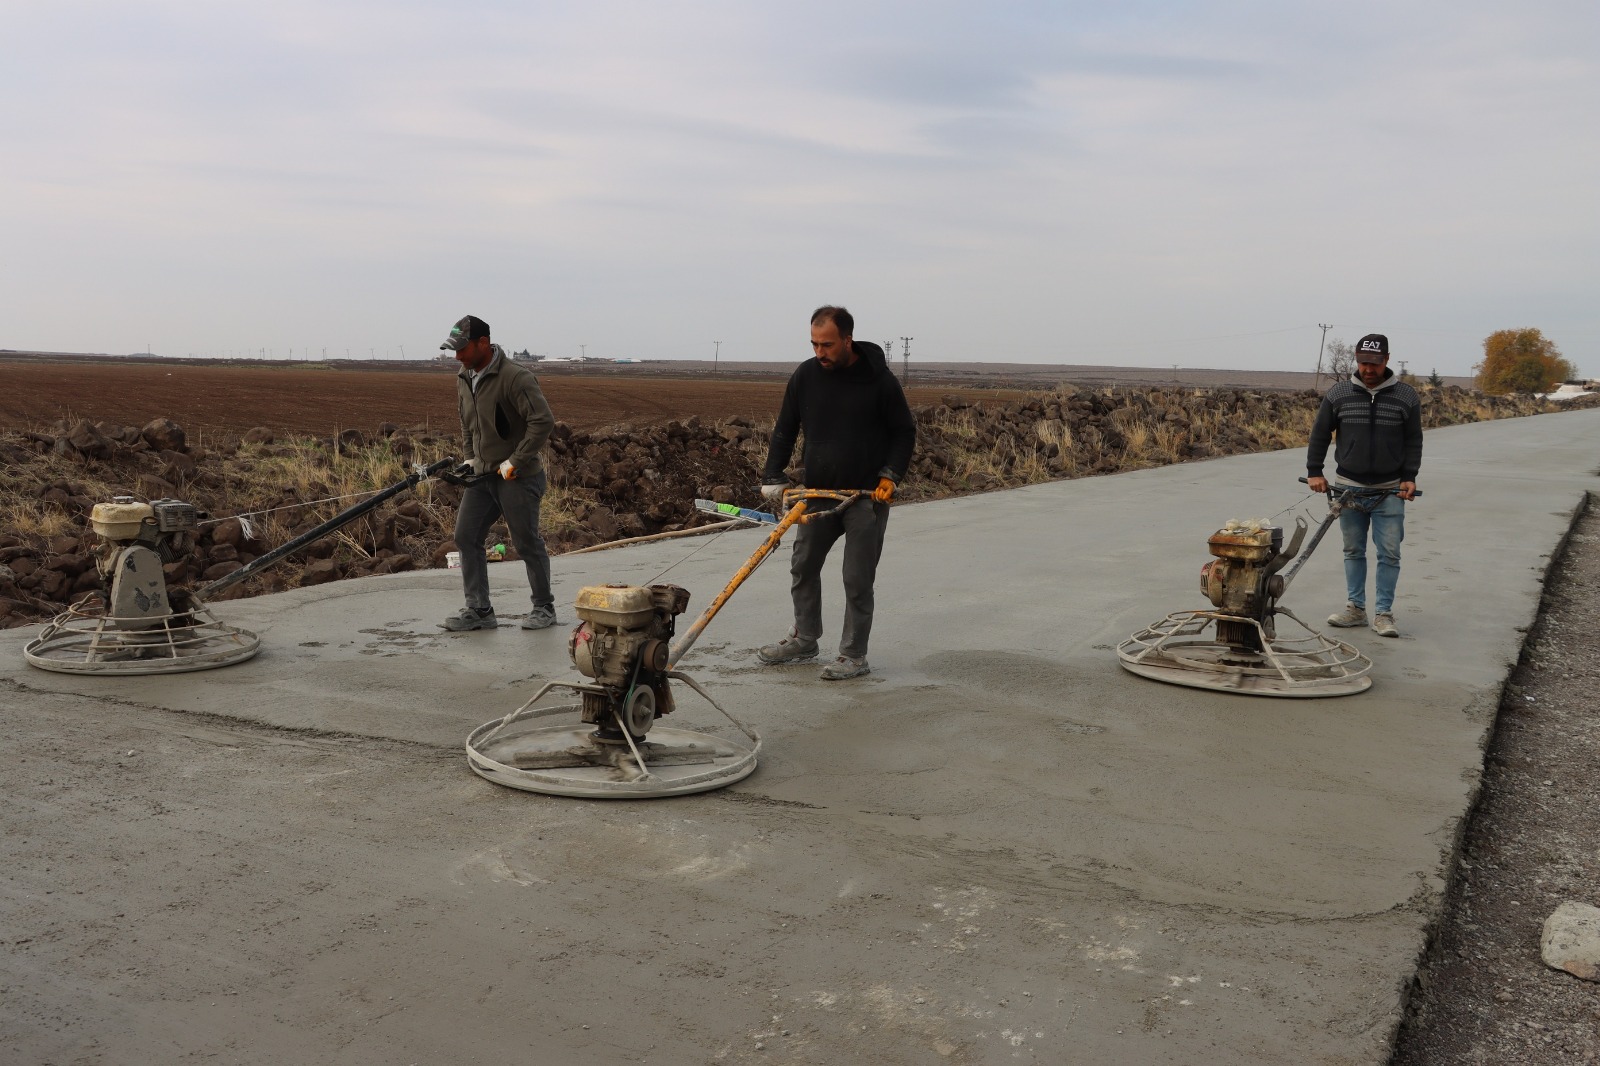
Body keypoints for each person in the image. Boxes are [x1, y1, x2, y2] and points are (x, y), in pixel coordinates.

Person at [756, 306, 916, 680]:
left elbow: (903, 431)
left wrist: (890, 475)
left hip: (865, 497)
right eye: (813, 344)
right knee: (803, 564)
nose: (819, 352)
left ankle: (853, 655)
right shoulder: (807, 376)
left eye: (826, 345)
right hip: (819, 493)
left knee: (857, 578)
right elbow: (785, 427)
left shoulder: (880, 381)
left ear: (847, 340)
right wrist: (773, 474)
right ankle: (805, 637)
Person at [438, 315, 559, 632]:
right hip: (483, 476)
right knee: (466, 536)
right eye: (455, 350)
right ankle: (479, 610)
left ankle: (544, 607)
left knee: (525, 541)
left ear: (483, 343)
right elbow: (468, 424)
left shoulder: (516, 378)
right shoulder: (464, 377)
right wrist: (469, 459)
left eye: (462, 349)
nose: (458, 357)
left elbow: (542, 422)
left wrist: (515, 461)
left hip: (517, 477)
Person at [1305, 333, 1422, 638]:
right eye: (1362, 363)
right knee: (1353, 549)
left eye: (1374, 363)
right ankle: (1355, 609)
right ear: (1356, 360)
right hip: (1349, 487)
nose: (1368, 369)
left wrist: (1409, 477)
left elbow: (1414, 441)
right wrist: (1314, 471)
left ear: (1386, 360)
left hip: (1390, 489)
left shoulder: (1406, 397)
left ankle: (1383, 614)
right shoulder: (1339, 394)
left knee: (1389, 552)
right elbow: (1320, 434)